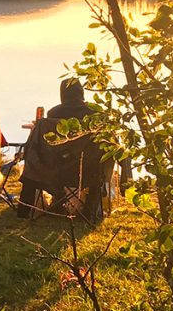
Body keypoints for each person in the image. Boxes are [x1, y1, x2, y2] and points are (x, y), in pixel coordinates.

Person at [17, 78, 107, 221]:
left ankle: (56, 201)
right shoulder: (95, 113)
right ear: (81, 93)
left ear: (62, 94)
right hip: (88, 172)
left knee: (41, 154)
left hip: (57, 171)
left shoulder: (54, 112)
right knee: (99, 165)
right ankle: (89, 210)